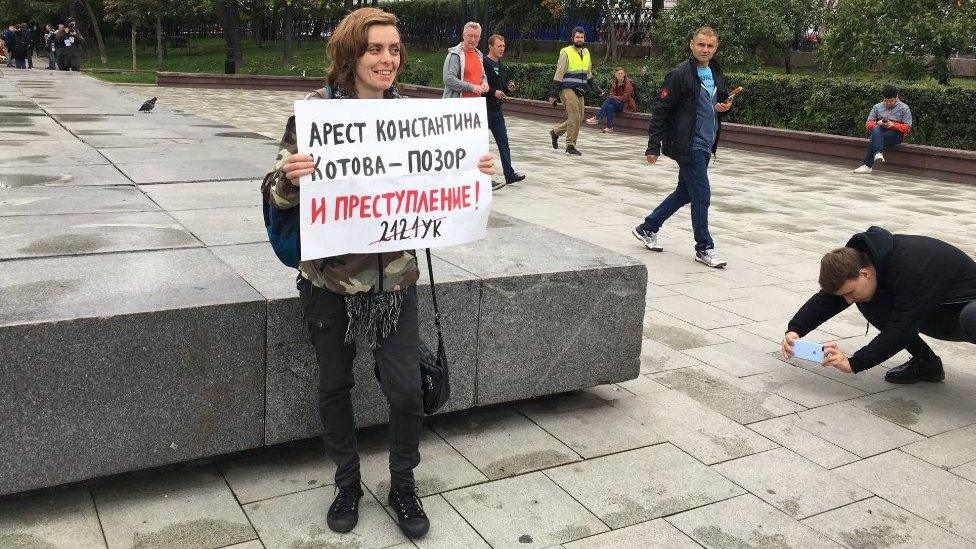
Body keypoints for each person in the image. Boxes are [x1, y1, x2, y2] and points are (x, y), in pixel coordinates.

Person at [262, 7, 494, 540]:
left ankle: (402, 483)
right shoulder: (315, 114)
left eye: (394, 50)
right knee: (334, 383)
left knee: (406, 390)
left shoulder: (414, 116)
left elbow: (443, 184)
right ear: (351, 54)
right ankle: (346, 482)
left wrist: (475, 172)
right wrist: (291, 178)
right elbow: (275, 191)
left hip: (396, 280)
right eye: (375, 49)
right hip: (330, 281)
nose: (387, 59)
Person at [782, 226, 976, 383]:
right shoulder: (863, 260)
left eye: (849, 292)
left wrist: (854, 363)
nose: (848, 298)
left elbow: (903, 326)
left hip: (964, 312)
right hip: (938, 310)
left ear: (865, 273)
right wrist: (795, 330)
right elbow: (830, 297)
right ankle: (927, 364)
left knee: (972, 316)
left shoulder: (912, 265)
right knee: (868, 299)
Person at [632, 26, 732, 269]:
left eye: (710, 46)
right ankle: (704, 247)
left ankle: (647, 227)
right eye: (701, 45)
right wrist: (653, 146)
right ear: (691, 44)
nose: (705, 50)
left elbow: (719, 101)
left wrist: (724, 106)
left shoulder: (715, 71)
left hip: (706, 143)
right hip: (688, 144)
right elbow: (660, 110)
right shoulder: (679, 74)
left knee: (685, 193)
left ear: (715, 47)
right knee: (702, 195)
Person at [442, 22, 502, 190]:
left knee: (477, 147)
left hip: (475, 111)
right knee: (456, 147)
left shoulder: (478, 55)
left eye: (476, 37)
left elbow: (483, 76)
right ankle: (453, 181)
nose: (473, 40)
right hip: (456, 109)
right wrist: (471, 87)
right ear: (463, 35)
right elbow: (449, 79)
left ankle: (483, 180)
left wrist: (484, 84)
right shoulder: (455, 55)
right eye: (470, 36)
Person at [547, 27, 602, 156]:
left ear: (584, 38)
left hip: (580, 89)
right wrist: (553, 94)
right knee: (574, 117)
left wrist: (597, 89)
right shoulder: (565, 52)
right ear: (572, 38)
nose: (579, 39)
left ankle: (555, 132)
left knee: (580, 118)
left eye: (581, 37)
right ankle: (570, 145)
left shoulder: (586, 52)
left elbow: (588, 74)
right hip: (567, 89)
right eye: (577, 37)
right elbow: (559, 73)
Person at [482, 34, 525, 188]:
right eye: (499, 46)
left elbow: (500, 88)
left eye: (503, 46)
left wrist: (508, 88)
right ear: (491, 46)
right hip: (483, 111)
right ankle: (483, 177)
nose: (502, 49)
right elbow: (481, 87)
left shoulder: (500, 64)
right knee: (482, 147)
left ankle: (509, 174)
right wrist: (494, 92)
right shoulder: (483, 63)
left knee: (504, 143)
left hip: (497, 112)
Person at [853, 85, 912, 174]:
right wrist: (878, 123)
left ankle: (868, 165)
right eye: (886, 101)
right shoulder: (877, 107)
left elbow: (907, 128)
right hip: (881, 132)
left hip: (896, 135)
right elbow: (868, 125)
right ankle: (878, 153)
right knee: (877, 128)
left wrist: (893, 125)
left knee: (875, 138)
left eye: (891, 101)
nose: (888, 103)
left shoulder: (904, 108)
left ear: (897, 97)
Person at [586, 67, 636, 133]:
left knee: (611, 99)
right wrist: (614, 97)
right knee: (610, 107)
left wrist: (614, 97)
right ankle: (609, 127)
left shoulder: (628, 84)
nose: (620, 75)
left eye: (621, 73)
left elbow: (625, 98)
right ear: (615, 75)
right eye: (618, 73)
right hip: (617, 103)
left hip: (625, 105)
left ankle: (597, 118)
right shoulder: (614, 82)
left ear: (624, 74)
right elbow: (611, 94)